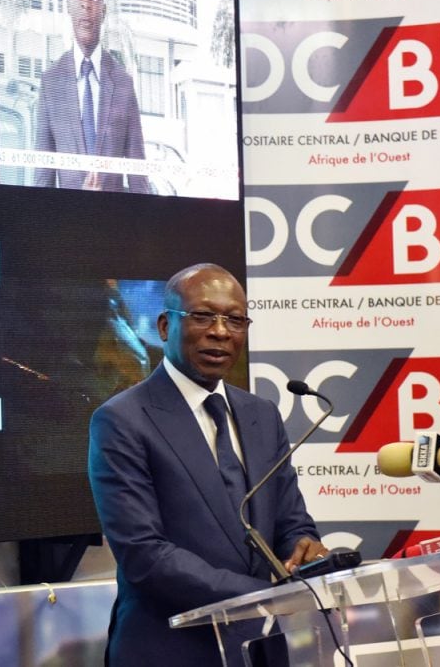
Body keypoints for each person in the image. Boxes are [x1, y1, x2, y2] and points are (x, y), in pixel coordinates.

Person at [88, 263, 326, 666]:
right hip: (172, 650)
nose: (220, 331)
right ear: (164, 326)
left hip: (262, 649)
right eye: (203, 316)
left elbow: (290, 520)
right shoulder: (123, 420)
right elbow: (145, 556)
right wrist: (262, 592)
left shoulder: (262, 415)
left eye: (235, 320)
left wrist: (305, 549)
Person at [34, 0, 150, 194]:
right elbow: (43, 176)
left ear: (103, 11)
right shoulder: (50, 82)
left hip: (114, 221)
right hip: (66, 222)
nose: (86, 3)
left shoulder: (124, 83)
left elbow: (138, 175)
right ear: (69, 7)